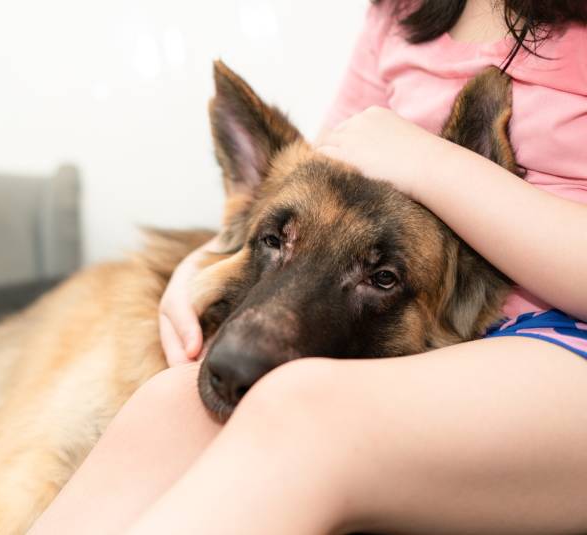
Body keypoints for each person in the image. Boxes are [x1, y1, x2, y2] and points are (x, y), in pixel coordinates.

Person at [29, 1, 587, 533]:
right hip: (453, 345)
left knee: (298, 410)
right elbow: (319, 186)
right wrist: (207, 263)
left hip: (563, 343)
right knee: (167, 404)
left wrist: (431, 162)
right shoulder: (402, 10)